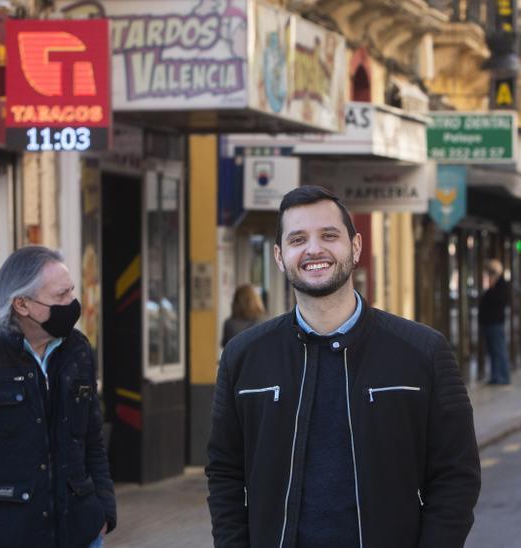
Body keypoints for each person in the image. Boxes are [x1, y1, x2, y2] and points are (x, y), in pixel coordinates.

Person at [206, 186, 482, 547]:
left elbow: (456, 475)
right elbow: (224, 473)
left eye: (329, 235)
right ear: (279, 256)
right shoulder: (243, 358)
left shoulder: (423, 352)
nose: (313, 249)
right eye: (298, 239)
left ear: (355, 247)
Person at [0, 246, 116, 548]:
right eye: (60, 297)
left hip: (81, 534)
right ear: (22, 305)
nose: (72, 303)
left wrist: (104, 509)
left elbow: (91, 440)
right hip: (5, 535)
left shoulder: (78, 350)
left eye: (71, 292)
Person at [479, 259, 511, 385]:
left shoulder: (501, 286)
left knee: (499, 350)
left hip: (495, 323)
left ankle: (503, 377)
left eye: (491, 273)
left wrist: (491, 287)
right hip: (489, 323)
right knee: (492, 351)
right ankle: (495, 376)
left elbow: (496, 302)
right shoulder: (494, 286)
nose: (489, 276)